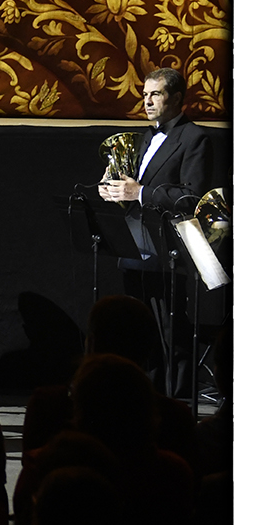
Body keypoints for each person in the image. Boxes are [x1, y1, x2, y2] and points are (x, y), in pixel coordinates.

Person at [96, 66, 220, 397]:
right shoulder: (146, 138)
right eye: (145, 94)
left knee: (169, 326)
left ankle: (175, 398)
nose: (147, 101)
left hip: (168, 248)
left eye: (156, 94)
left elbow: (192, 197)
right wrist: (114, 189)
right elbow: (135, 187)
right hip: (136, 243)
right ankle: (144, 392)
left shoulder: (194, 138)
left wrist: (139, 193)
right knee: (138, 325)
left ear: (176, 98)